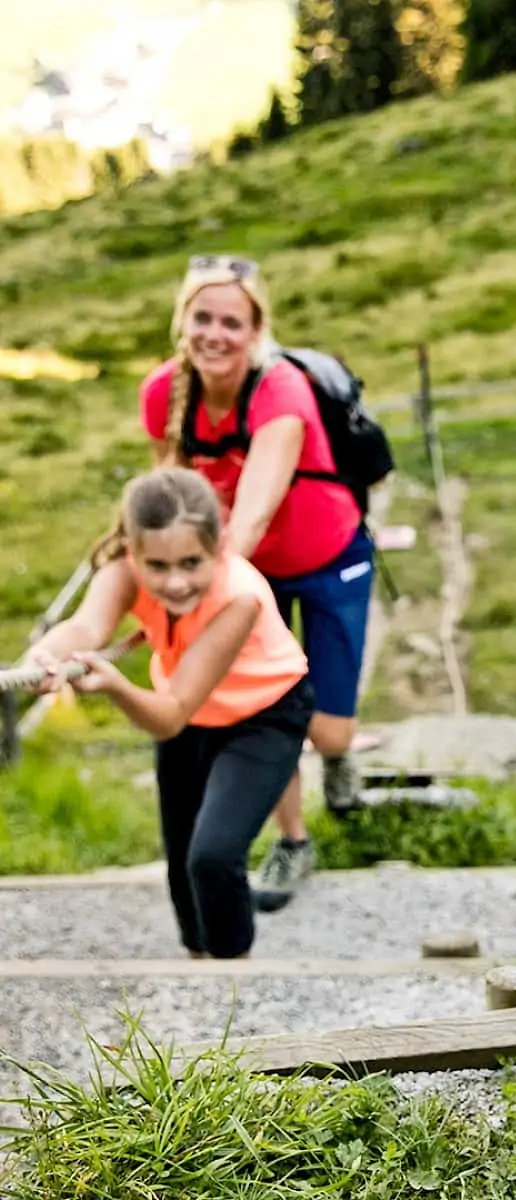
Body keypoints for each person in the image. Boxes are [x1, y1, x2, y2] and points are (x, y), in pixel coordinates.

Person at [139, 254, 375, 912]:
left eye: (232, 322)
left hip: (327, 559)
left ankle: (337, 760)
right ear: (182, 321)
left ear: (256, 330)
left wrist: (196, 588)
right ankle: (295, 841)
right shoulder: (163, 393)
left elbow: (253, 512)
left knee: (327, 730)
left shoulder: (282, 390)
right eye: (202, 318)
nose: (216, 334)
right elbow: (171, 502)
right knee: (261, 710)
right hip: (246, 577)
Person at [23, 468, 313, 959]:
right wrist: (44, 658)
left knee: (214, 856)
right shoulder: (122, 569)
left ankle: (232, 971)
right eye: (156, 566)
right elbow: (86, 626)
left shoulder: (238, 594)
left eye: (191, 563)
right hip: (188, 711)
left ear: (218, 549)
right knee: (180, 860)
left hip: (263, 715)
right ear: (133, 552)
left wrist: (116, 688)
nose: (175, 582)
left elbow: (170, 716)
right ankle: (198, 960)